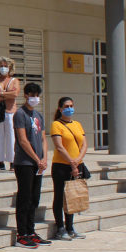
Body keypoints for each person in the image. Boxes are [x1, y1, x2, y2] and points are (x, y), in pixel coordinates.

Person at [12, 82, 51, 248]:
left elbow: (43, 138)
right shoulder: (20, 114)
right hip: (25, 162)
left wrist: (44, 159)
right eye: (31, 95)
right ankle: (22, 234)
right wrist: (36, 159)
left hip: (38, 164)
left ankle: (31, 230)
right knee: (25, 197)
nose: (34, 98)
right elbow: (22, 140)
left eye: (37, 95)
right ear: (26, 95)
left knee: (35, 198)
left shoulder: (38, 115)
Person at [50, 96, 87, 240]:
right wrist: (72, 162)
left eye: (71, 105)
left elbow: (84, 144)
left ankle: (70, 227)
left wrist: (77, 161)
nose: (69, 108)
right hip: (61, 165)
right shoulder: (56, 124)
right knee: (59, 197)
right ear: (60, 108)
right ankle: (60, 227)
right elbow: (59, 146)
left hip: (77, 165)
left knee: (71, 197)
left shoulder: (77, 124)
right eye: (66, 106)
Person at [0, 57, 20, 170]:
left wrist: (0, 92)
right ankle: (0, 162)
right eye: (1, 66)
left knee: (11, 137)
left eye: (6, 66)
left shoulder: (14, 81)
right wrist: (7, 94)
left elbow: (15, 94)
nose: (3, 68)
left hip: (10, 112)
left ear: (10, 68)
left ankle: (13, 162)